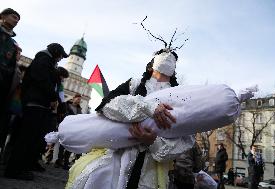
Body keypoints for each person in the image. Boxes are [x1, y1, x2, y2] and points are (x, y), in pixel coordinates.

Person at [64, 48, 195, 189]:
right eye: (163, 55)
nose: (167, 55)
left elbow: (184, 139)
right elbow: (107, 105)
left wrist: (153, 141)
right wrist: (148, 107)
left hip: (151, 171)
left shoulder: (179, 95)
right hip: (118, 157)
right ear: (151, 66)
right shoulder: (135, 84)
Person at [5, 43, 68, 180]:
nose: (60, 59)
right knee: (25, 137)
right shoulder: (43, 60)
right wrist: (52, 96)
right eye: (60, 56)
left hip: (38, 103)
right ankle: (14, 169)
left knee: (30, 138)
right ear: (55, 52)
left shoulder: (46, 61)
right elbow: (42, 81)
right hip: (35, 103)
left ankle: (21, 166)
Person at [0, 8, 21, 153]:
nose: (16, 21)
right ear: (2, 16)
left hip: (4, 85)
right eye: (14, 17)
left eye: (18, 20)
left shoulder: (13, 43)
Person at [55, 93, 82, 169]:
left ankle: (66, 163)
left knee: (70, 146)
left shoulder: (79, 109)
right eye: (78, 99)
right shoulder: (66, 105)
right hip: (65, 127)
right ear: (74, 98)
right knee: (62, 145)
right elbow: (60, 114)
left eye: (80, 99)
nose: (79, 100)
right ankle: (59, 161)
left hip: (73, 129)